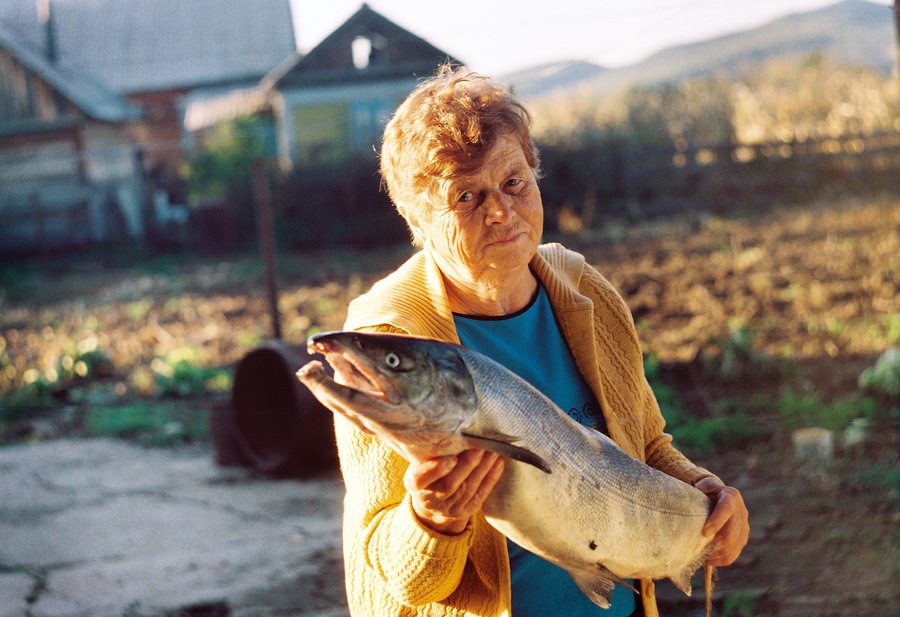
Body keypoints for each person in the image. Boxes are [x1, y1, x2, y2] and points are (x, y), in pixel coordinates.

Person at [333, 64, 749, 617]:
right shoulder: (389, 344)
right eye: (466, 197)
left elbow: (645, 449)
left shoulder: (585, 292)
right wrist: (432, 519)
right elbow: (391, 574)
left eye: (513, 182)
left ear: (534, 173)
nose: (501, 212)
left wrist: (708, 496)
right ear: (415, 216)